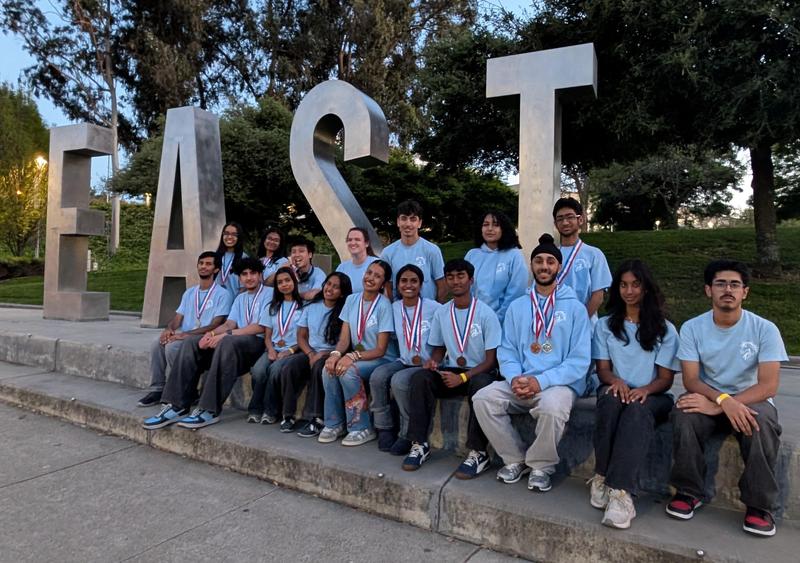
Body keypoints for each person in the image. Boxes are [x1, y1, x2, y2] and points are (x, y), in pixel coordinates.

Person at [667, 260, 788, 537]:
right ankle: (688, 490)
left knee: (761, 422)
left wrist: (728, 403)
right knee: (683, 413)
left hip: (750, 399)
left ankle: (759, 505)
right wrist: (721, 401)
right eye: (721, 283)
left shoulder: (764, 329)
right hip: (710, 397)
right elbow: (691, 380)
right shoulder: (692, 328)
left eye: (735, 284)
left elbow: (769, 385)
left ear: (745, 292)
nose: (728, 290)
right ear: (708, 290)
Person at [473, 234, 591, 493]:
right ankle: (515, 459)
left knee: (552, 407)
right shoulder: (518, 307)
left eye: (550, 261)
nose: (544, 266)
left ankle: (541, 465)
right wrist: (515, 377)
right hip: (522, 380)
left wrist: (541, 381)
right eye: (538, 261)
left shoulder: (575, 309)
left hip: (559, 383)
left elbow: (579, 360)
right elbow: (507, 350)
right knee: (483, 399)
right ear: (532, 266)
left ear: (558, 267)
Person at [588, 260, 679, 529]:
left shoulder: (665, 329)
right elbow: (602, 369)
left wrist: (644, 390)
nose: (629, 291)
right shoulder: (605, 325)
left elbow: (665, 379)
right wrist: (616, 381)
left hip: (653, 396)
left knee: (637, 410)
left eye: (636, 285)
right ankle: (601, 476)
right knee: (610, 402)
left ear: (646, 288)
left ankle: (621, 494)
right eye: (624, 285)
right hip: (616, 388)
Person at [143, 257, 272, 430]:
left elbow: (259, 327)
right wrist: (210, 334)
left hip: (255, 344)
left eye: (253, 273)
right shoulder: (240, 298)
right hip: (234, 343)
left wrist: (225, 335)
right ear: (240, 278)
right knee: (191, 342)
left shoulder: (269, 294)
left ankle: (209, 409)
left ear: (260, 275)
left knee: (227, 342)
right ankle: (177, 405)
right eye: (244, 274)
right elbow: (229, 323)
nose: (249, 278)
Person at [400, 259, 501, 478]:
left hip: (478, 372)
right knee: (421, 378)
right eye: (451, 277)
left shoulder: (486, 314)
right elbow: (438, 348)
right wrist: (433, 362)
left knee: (481, 386)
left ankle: (478, 452)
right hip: (453, 371)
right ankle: (420, 444)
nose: (455, 281)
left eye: (460, 276)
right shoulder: (442, 313)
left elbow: (491, 360)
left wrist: (463, 377)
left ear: (471, 280)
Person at [139, 252, 233, 407]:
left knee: (172, 347)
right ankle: (157, 389)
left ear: (216, 270)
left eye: (208, 264)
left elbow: (216, 324)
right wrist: (169, 329)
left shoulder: (223, 294)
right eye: (201, 263)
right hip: (185, 335)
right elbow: (177, 318)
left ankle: (181, 390)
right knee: (157, 343)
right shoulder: (190, 292)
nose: (203, 266)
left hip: (202, 338)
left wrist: (185, 334)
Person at [320, 260, 396, 446]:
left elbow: (381, 349)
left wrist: (352, 356)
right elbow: (345, 339)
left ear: (383, 283)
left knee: (348, 372)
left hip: (382, 359)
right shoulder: (352, 300)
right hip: (358, 356)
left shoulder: (384, 305)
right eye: (369, 273)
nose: (370, 278)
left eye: (377, 276)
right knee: (328, 368)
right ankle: (334, 423)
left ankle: (361, 427)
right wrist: (336, 354)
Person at [370, 264, 442, 453]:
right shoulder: (392, 308)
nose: (408, 285)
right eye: (404, 281)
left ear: (421, 284)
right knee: (378, 376)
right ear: (397, 284)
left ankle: (407, 434)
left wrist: (435, 359)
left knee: (399, 381)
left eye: (413, 281)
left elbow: (445, 338)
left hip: (426, 364)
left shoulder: (434, 307)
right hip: (403, 360)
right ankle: (384, 427)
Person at [279, 272, 353, 438]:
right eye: (328, 284)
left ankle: (316, 418)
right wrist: (311, 353)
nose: (330, 289)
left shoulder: (344, 312)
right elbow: (301, 336)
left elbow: (344, 342)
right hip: (310, 352)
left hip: (332, 354)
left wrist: (323, 354)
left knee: (320, 367)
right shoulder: (312, 306)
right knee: (289, 367)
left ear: (342, 293)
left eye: (336, 287)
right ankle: (288, 415)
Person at [246, 267, 304, 429]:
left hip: (293, 351)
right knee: (258, 370)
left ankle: (271, 411)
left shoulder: (304, 306)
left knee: (275, 370)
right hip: (273, 349)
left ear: (294, 281)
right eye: (280, 282)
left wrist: (290, 350)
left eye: (287, 280)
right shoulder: (272, 307)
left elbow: (305, 337)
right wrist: (271, 350)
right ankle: (255, 409)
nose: (284, 285)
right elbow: (267, 336)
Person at [551, 198, 611, 320]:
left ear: (581, 219)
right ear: (555, 224)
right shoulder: (550, 256)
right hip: (554, 323)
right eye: (560, 219)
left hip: (584, 324)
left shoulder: (594, 254)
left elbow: (598, 296)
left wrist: (579, 321)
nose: (565, 222)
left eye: (570, 217)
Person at [464, 210, 528, 324]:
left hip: (503, 322)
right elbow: (465, 287)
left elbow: (516, 292)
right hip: (473, 320)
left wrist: (495, 319)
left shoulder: (514, 255)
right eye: (485, 224)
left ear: (504, 228)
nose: (490, 229)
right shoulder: (472, 255)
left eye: (496, 225)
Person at [380, 200, 446, 302]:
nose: (408, 224)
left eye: (413, 219)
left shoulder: (432, 250)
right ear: (398, 221)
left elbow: (442, 285)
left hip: (427, 313)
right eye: (404, 219)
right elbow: (387, 287)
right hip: (399, 313)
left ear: (419, 223)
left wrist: (436, 310)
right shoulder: (387, 253)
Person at [335, 227, 379, 293]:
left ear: (366, 243)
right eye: (349, 240)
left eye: (357, 239)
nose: (353, 243)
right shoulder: (342, 267)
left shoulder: (377, 264)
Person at [215, 221, 248, 302]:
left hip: (234, 305)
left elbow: (244, 287)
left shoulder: (244, 258)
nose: (229, 237)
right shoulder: (215, 256)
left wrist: (235, 305)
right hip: (215, 304)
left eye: (234, 234)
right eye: (226, 233)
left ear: (239, 237)